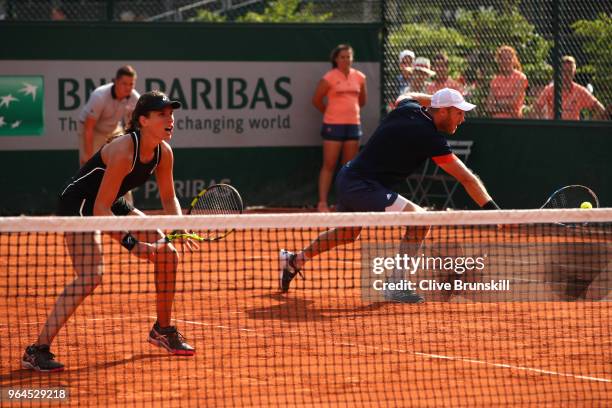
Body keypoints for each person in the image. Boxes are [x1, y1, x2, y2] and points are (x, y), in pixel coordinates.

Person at [22, 91, 196, 372]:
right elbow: (100, 210)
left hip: (110, 199)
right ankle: (37, 349)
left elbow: (168, 198)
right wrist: (134, 246)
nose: (170, 119)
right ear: (143, 120)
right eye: (162, 114)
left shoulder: (164, 153)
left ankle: (162, 330)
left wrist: (179, 227)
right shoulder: (124, 151)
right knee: (92, 275)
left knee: (168, 254)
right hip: (78, 203)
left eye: (171, 113)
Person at [280, 88, 499, 302]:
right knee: (420, 220)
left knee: (348, 234)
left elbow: (408, 95)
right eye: (458, 112)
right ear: (443, 111)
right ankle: (395, 283)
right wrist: (494, 211)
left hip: (349, 177)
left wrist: (436, 100)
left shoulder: (409, 108)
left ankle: (294, 259)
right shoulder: (429, 136)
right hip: (362, 185)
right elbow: (466, 178)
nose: (462, 119)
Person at [312, 44, 367, 212]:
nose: (346, 60)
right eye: (342, 57)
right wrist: (330, 113)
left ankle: (344, 203)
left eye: (348, 56)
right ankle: (322, 203)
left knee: (348, 167)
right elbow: (316, 100)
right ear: (336, 59)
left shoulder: (360, 77)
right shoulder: (329, 77)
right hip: (333, 126)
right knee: (329, 164)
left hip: (353, 125)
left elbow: (362, 101)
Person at [78, 65, 140, 167]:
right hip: (91, 129)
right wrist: (88, 159)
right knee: (89, 166)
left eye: (131, 84)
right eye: (124, 83)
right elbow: (88, 127)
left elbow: (135, 126)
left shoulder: (135, 98)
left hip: (113, 128)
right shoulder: (99, 96)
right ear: (115, 81)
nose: (128, 87)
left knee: (121, 160)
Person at [533, 55, 606, 120]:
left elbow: (600, 109)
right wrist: (545, 125)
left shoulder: (580, 91)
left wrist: (590, 125)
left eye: (569, 72)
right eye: (564, 72)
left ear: (574, 73)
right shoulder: (550, 89)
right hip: (554, 130)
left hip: (573, 131)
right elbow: (536, 108)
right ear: (560, 73)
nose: (566, 75)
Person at [486, 45, 528, 118]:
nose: (506, 61)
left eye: (509, 58)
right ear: (499, 60)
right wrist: (506, 104)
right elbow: (489, 106)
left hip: (513, 119)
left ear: (513, 60)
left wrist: (497, 104)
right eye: (503, 58)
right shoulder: (495, 80)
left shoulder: (521, 78)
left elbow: (514, 104)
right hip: (496, 118)